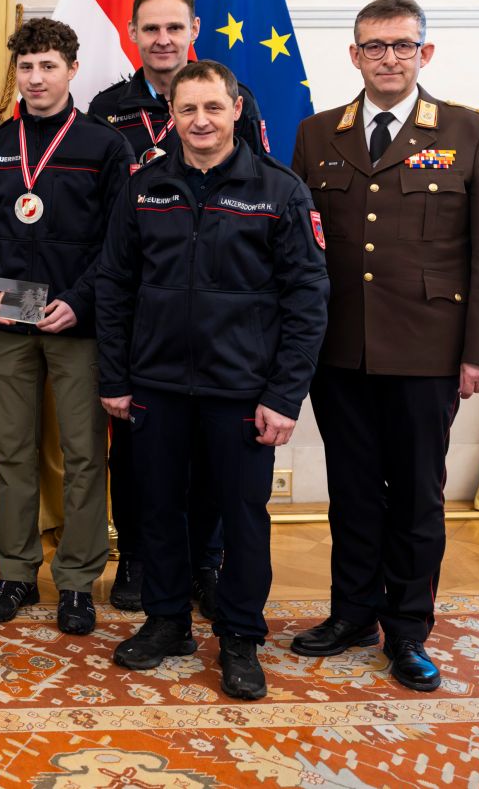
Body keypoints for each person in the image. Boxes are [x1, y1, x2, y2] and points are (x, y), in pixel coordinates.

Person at [289, 0, 479, 692]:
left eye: (402, 45)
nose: (388, 57)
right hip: (339, 351)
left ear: (426, 53)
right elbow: (299, 250)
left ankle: (408, 628)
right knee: (352, 490)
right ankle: (353, 613)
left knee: (418, 494)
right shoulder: (316, 134)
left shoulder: (471, 131)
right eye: (374, 45)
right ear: (354, 55)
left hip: (428, 350)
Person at [95, 60, 328, 701]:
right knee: (158, 508)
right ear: (172, 115)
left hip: (243, 391)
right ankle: (167, 622)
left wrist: (284, 396)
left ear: (236, 110)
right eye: (188, 109)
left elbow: (308, 299)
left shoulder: (279, 190)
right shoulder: (144, 187)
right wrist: (115, 377)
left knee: (242, 516)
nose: (200, 121)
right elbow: (114, 286)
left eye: (213, 108)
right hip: (156, 386)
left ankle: (240, 636)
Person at [87, 0, 260, 615]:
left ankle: (206, 562)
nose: (163, 39)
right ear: (133, 34)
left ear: (194, 32)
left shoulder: (236, 100)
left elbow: (254, 189)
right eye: (151, 29)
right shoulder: (107, 108)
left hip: (218, 306)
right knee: (137, 451)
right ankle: (137, 556)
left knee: (213, 456)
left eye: (175, 28)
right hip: (142, 309)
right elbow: (100, 210)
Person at [0, 19, 130, 635]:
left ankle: (78, 581)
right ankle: (15, 571)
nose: (35, 78)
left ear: (72, 69)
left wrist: (80, 302)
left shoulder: (104, 146)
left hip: (75, 322)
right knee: (12, 451)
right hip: (10, 316)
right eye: (26, 67)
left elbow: (118, 243)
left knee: (83, 455)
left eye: (48, 66)